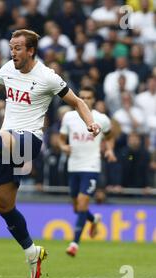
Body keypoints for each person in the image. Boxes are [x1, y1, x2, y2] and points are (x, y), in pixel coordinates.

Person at [0, 29, 101, 278]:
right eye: (11, 48)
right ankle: (32, 251)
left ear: (31, 50)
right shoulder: (9, 69)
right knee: (4, 206)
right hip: (6, 144)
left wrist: (91, 123)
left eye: (18, 48)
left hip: (29, 140)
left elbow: (77, 101)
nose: (13, 52)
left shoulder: (48, 77)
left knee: (3, 135)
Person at [59, 86, 116, 257]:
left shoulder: (101, 119)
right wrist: (63, 147)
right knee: (77, 208)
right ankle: (93, 219)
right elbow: (61, 139)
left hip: (91, 166)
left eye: (88, 97)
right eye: (81, 96)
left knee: (83, 203)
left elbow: (110, 136)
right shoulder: (69, 117)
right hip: (73, 166)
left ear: (94, 100)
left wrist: (110, 150)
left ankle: (74, 243)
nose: (85, 99)